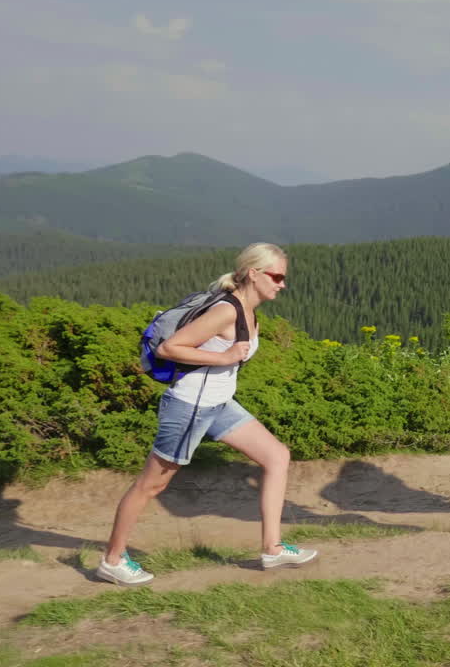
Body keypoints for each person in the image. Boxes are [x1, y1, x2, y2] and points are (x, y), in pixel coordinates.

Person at [97, 243, 317, 584]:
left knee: (276, 456)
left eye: (284, 277)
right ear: (253, 273)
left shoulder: (248, 310)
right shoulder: (227, 311)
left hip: (218, 405)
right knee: (150, 486)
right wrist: (225, 357)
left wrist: (227, 359)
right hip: (190, 407)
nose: (282, 284)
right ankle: (113, 559)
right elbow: (172, 348)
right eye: (276, 276)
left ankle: (272, 549)